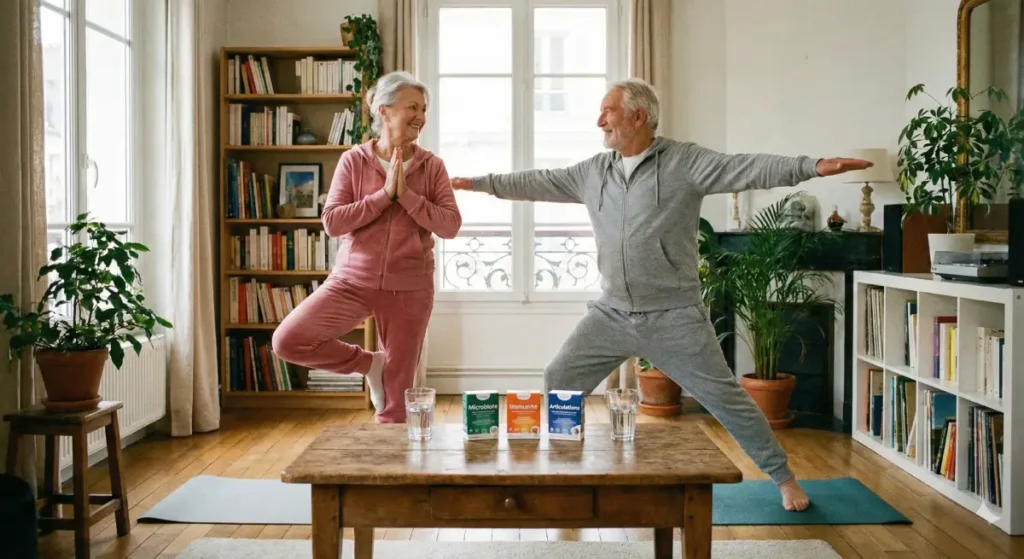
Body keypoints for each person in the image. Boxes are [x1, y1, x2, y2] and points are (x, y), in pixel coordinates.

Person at [450, 78, 871, 511]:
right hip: (611, 313)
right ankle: (564, 470)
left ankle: (783, 478)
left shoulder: (684, 163)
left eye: (607, 112)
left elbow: (745, 167)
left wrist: (812, 166)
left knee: (727, 399)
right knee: (560, 380)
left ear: (638, 115)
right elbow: (538, 181)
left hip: (674, 315)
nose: (600, 121)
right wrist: (480, 183)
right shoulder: (594, 171)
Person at [273, 71, 461, 423]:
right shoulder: (354, 161)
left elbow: (450, 226)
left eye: (423, 109)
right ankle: (369, 364)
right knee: (289, 340)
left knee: (396, 402)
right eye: (412, 107)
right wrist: (383, 196)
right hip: (352, 281)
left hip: (409, 286)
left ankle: (392, 471)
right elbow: (333, 222)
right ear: (383, 110)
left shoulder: (431, 166)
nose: (420, 116)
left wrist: (406, 196)